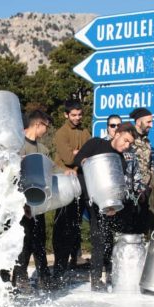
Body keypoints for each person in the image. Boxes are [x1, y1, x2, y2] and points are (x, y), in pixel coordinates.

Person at [72, 122, 136, 291]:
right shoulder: (96, 143)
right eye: (125, 140)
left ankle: (98, 277)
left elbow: (117, 185)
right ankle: (60, 270)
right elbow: (77, 159)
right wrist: (85, 160)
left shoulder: (120, 161)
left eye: (130, 143)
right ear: (116, 134)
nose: (126, 145)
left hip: (103, 203)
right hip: (83, 194)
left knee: (102, 237)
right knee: (70, 234)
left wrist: (114, 205)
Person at [12, 110, 53, 292]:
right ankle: (20, 278)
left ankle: (44, 277)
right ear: (38, 124)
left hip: (38, 203)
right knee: (24, 241)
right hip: (20, 203)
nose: (46, 130)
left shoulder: (43, 149)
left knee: (39, 240)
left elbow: (50, 170)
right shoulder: (18, 145)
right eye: (46, 126)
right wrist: (23, 203)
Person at [51, 100, 90, 283]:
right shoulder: (61, 133)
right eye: (73, 115)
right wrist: (78, 155)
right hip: (63, 182)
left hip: (80, 181)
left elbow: (90, 154)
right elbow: (66, 157)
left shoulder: (85, 131)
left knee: (76, 222)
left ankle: (75, 258)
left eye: (79, 114)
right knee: (62, 224)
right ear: (66, 115)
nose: (77, 118)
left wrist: (77, 153)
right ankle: (60, 263)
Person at [129, 107, 154, 233]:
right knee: (134, 220)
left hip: (146, 186)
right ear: (138, 122)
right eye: (148, 122)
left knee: (150, 214)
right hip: (134, 187)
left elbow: (150, 162)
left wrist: (150, 177)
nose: (151, 125)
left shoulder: (146, 140)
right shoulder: (129, 137)